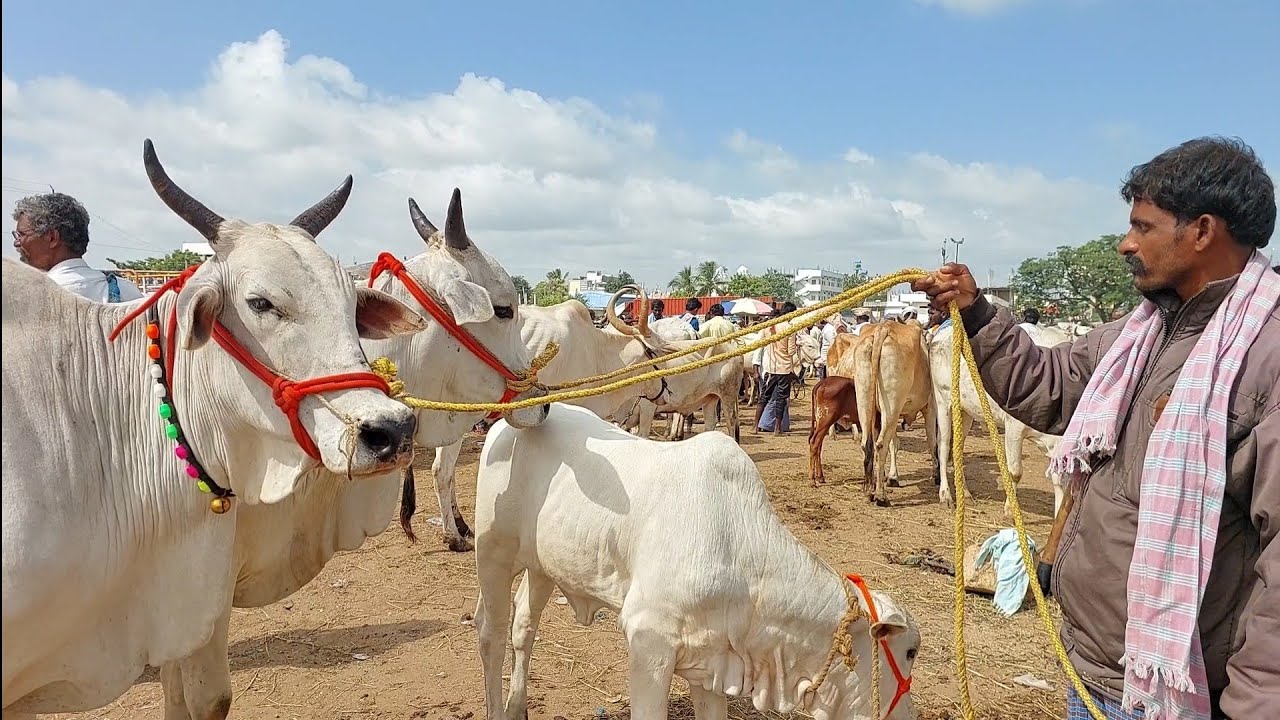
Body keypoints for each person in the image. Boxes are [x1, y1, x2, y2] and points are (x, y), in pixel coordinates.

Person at [912, 136, 1278, 720]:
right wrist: (977, 311)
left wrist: (1257, 704)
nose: (1125, 243)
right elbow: (1047, 385)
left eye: (1143, 227)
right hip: (1093, 667)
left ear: (1203, 231)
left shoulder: (1265, 355)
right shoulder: (1139, 333)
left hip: (1177, 691)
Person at [12, 192, 142, 302]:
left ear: (52, 237)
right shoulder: (127, 291)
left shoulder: (25, 300)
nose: (17, 243)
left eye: (21, 235)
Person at [755, 302, 798, 434]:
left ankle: (755, 426)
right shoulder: (789, 328)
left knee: (764, 396)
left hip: (770, 368)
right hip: (784, 368)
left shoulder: (768, 327)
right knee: (781, 399)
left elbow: (760, 343)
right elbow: (791, 351)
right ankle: (777, 428)